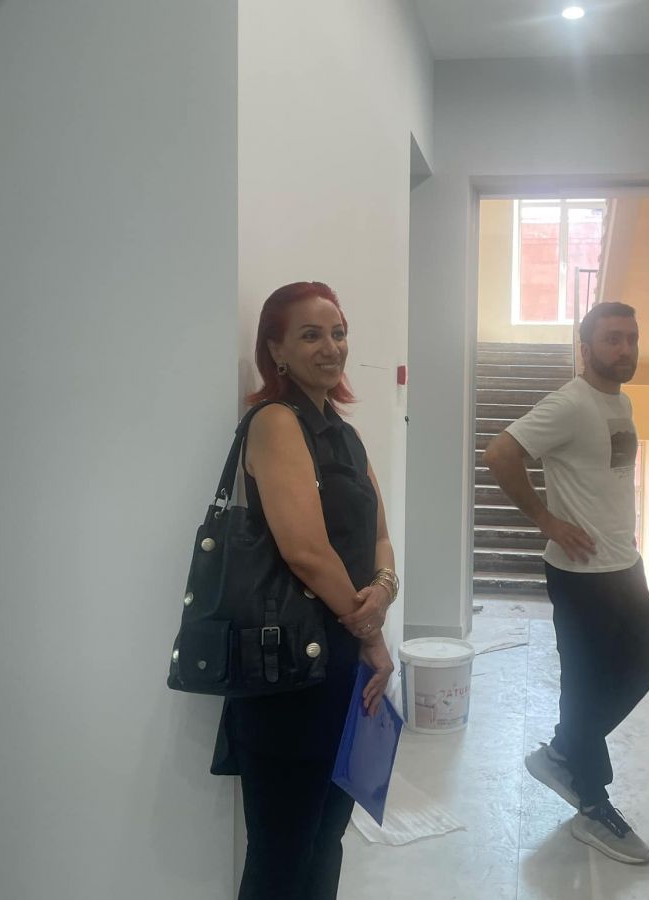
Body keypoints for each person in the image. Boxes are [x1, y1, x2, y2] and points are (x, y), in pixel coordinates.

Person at [210, 281, 399, 900]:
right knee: (282, 852)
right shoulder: (274, 422)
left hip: (343, 660)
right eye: (311, 335)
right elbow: (306, 551)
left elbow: (379, 535)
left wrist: (384, 589)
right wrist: (371, 631)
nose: (331, 347)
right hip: (287, 667)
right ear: (277, 350)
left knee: (326, 839)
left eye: (338, 333)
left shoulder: (344, 434)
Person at [485, 302, 649, 865]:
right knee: (586, 685)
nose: (624, 348)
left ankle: (563, 752)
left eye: (631, 338)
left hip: (622, 565)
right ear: (586, 349)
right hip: (582, 575)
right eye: (612, 339)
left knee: (640, 671)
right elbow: (501, 452)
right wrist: (546, 519)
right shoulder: (570, 403)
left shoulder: (620, 401)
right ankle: (592, 803)